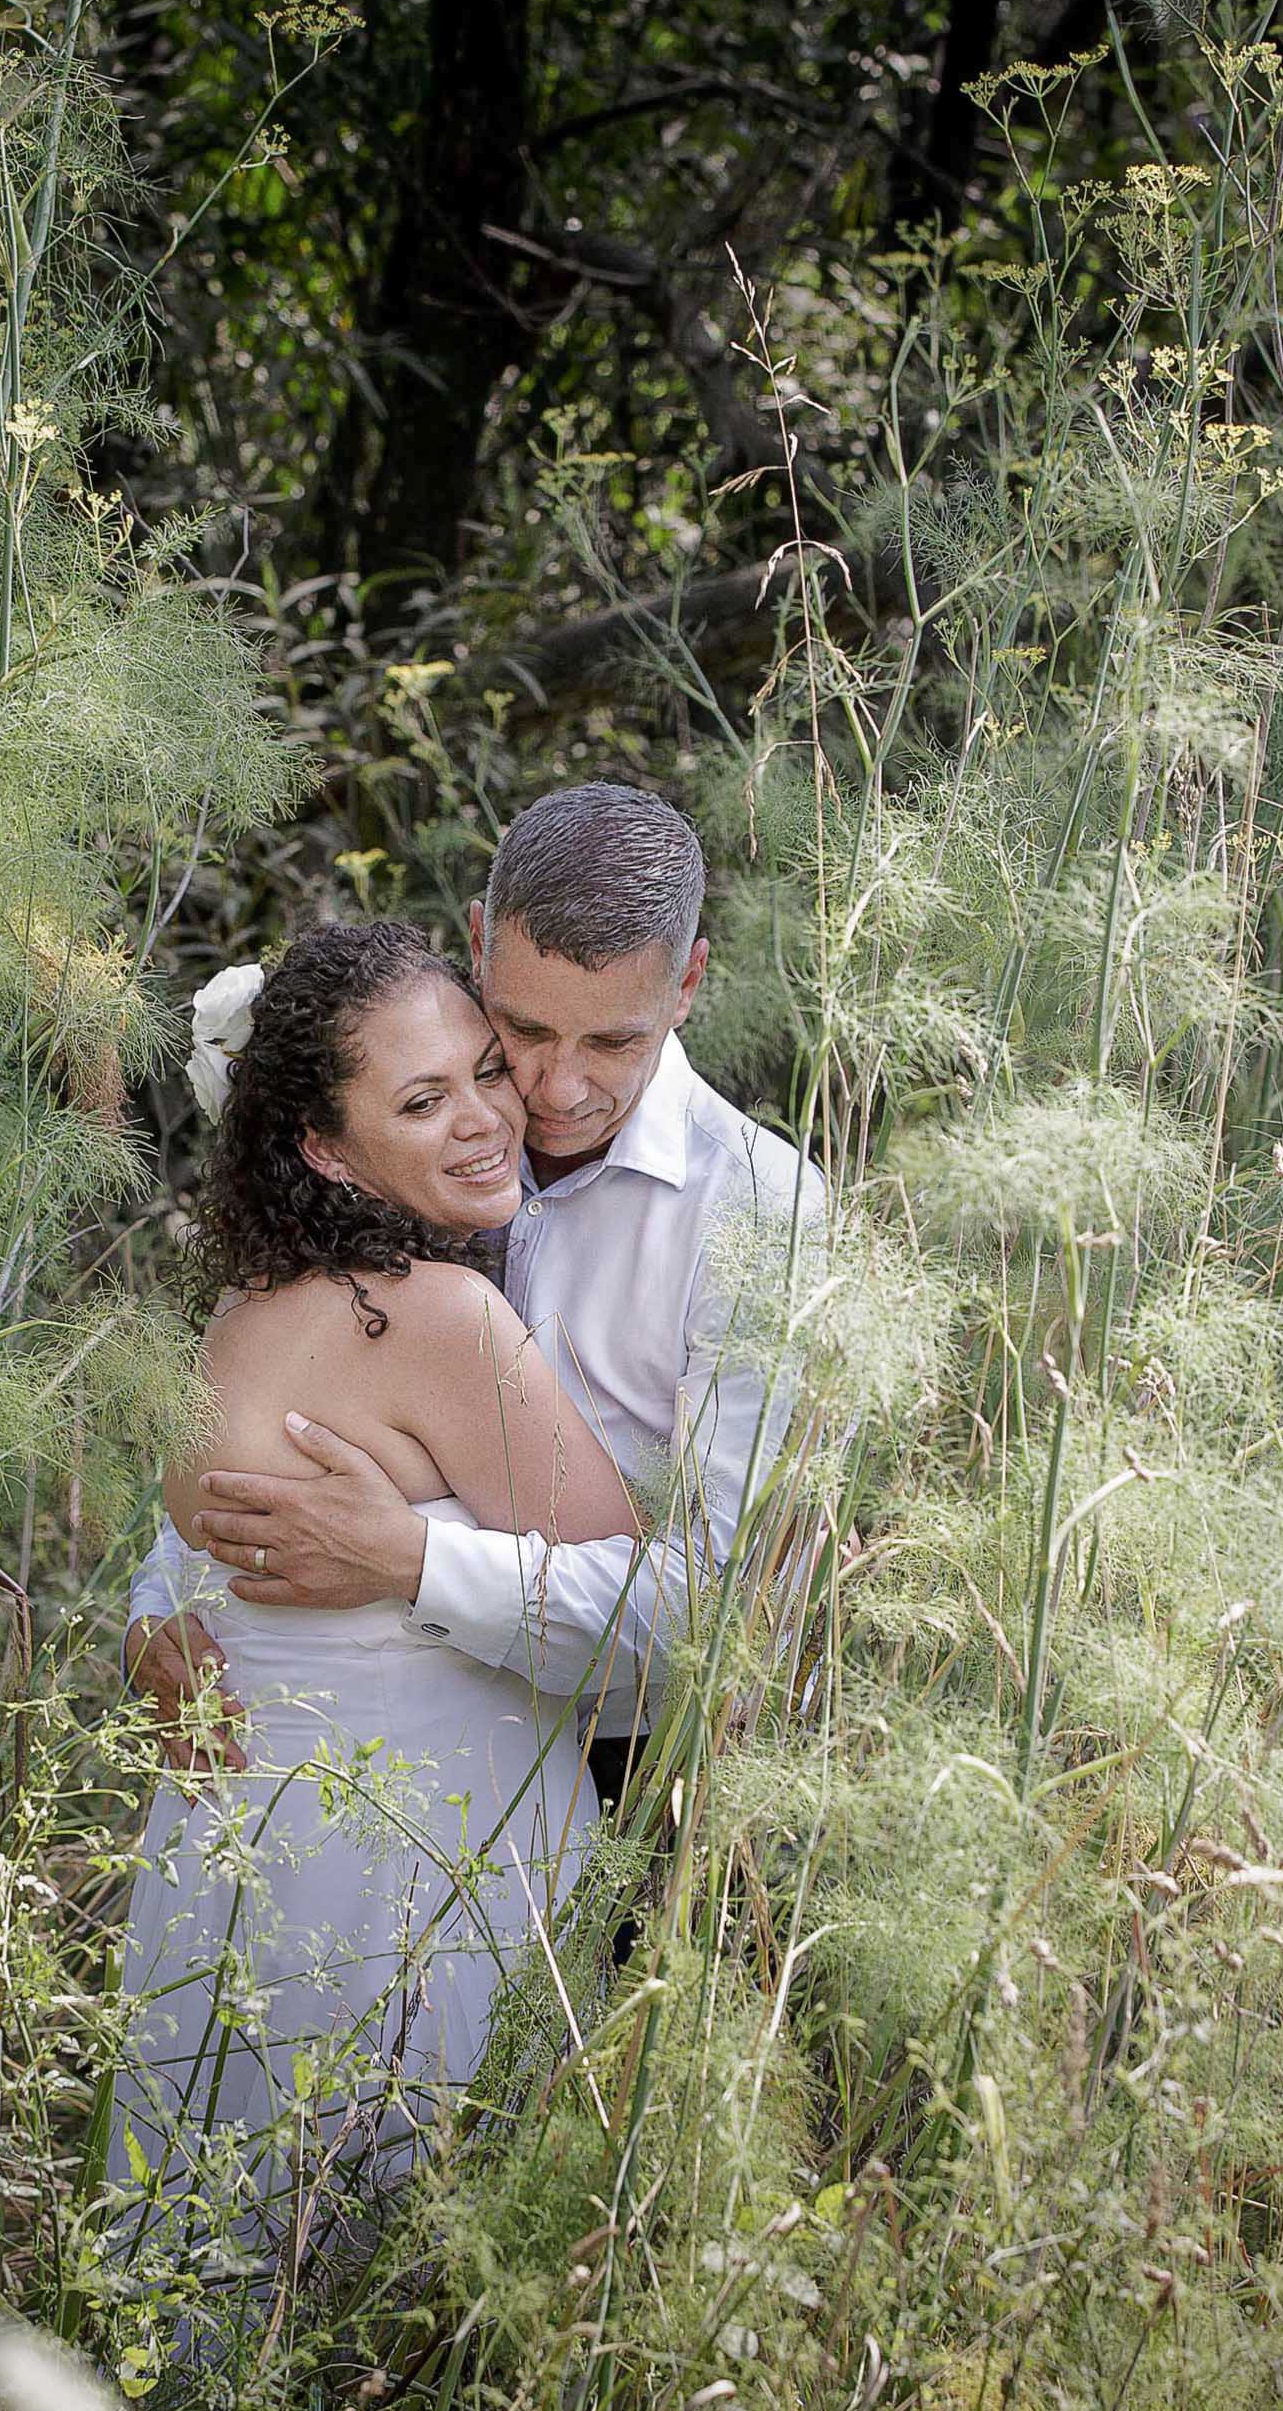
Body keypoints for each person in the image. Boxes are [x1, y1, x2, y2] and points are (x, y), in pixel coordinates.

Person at [126, 783, 826, 1814]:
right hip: (400, 1752)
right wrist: (165, 1603)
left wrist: (411, 1559)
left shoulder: (759, 1210)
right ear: (479, 944)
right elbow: (288, 1399)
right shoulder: (410, 1130)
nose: (552, 1088)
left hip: (649, 1765)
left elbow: (721, 1613)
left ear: (688, 983)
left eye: (612, 1043)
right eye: (523, 1032)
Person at [102, 919, 642, 2250]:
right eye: (420, 1098)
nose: (483, 1120)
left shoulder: (233, 1321)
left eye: (479, 1071)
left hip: (242, 1882)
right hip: (429, 1881)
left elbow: (200, 1543)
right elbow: (640, 1624)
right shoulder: (436, 1320)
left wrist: (154, 1618)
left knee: (233, 2272)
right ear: (325, 1148)